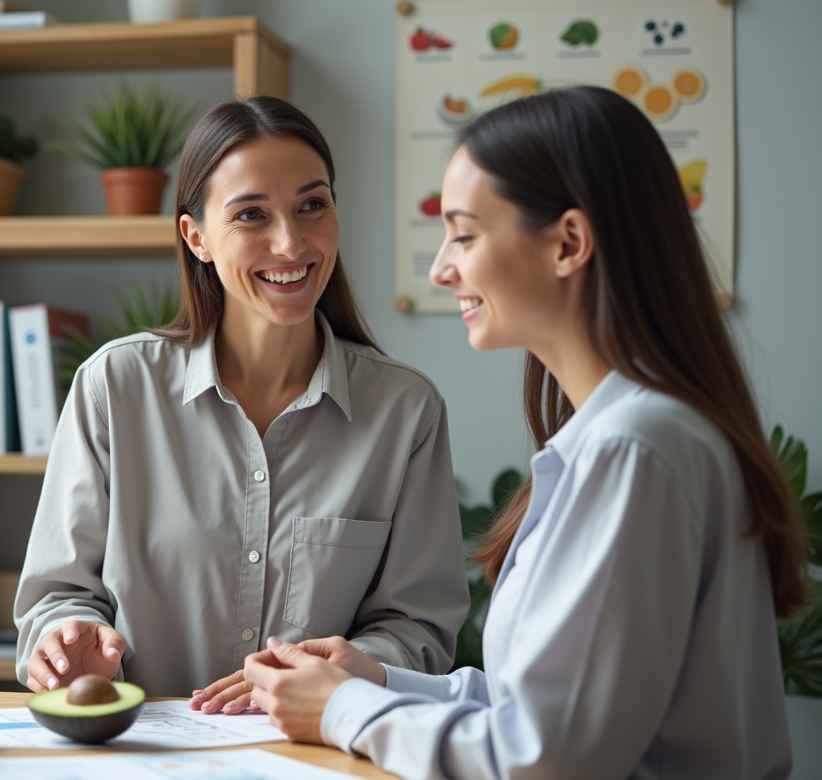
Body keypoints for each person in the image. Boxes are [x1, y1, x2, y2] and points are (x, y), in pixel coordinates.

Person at [242, 86, 809, 778]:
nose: (441, 267)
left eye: (465, 233)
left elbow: (546, 755)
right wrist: (379, 682)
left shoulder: (633, 450)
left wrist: (342, 711)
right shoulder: (631, 434)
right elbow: (547, 707)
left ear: (569, 242)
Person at [14, 96, 469, 703]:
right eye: (251, 215)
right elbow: (56, 598)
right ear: (195, 237)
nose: (290, 242)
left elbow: (420, 630)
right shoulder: (114, 388)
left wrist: (348, 669)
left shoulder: (406, 410)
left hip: (316, 759)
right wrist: (69, 645)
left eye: (313, 205)